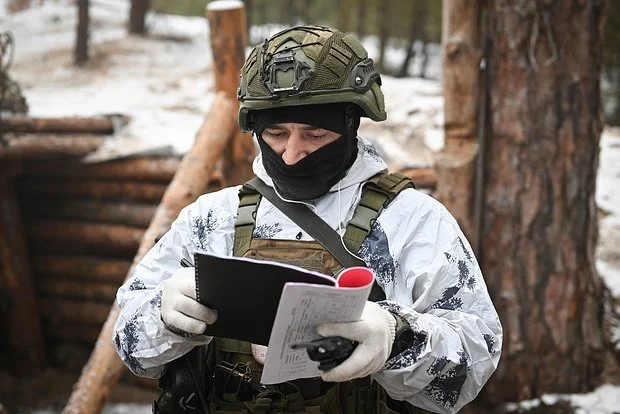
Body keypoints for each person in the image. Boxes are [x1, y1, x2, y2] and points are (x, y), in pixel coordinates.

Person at [113, 25, 502, 414]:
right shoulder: (212, 218)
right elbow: (132, 349)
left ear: (352, 124)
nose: (291, 154)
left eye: (315, 134)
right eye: (276, 133)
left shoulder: (413, 221)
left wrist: (393, 338)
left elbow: (474, 358)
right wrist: (163, 317)